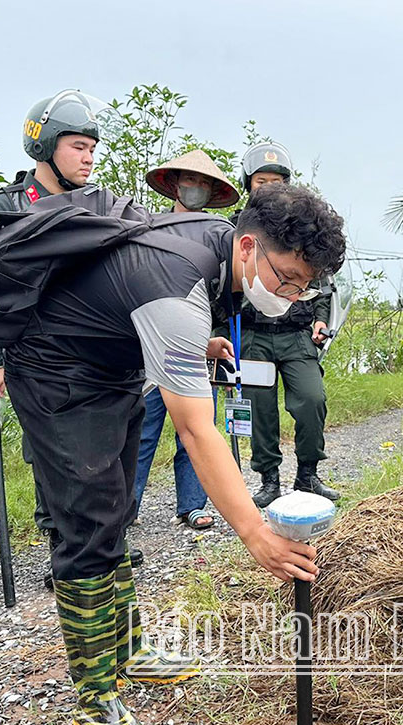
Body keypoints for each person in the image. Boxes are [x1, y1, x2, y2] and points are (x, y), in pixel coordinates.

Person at [0, 182, 344, 725]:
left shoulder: (217, 248)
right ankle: (95, 702)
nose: (293, 297)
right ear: (248, 247)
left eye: (305, 289)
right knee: (86, 527)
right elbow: (197, 431)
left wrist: (201, 345)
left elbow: (131, 297)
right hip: (56, 369)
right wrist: (255, 533)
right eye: (288, 281)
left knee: (117, 513)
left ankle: (127, 649)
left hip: (112, 364)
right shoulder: (178, 290)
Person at [0, 91, 143, 583]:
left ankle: (104, 552)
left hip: (96, 362)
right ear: (45, 146)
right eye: (76, 146)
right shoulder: (7, 207)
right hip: (37, 363)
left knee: (110, 473)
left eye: (92, 147)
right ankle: (71, 554)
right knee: (59, 468)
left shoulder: (97, 206)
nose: (88, 157)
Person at [131, 149, 240, 530]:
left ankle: (193, 505)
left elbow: (224, 300)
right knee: (141, 431)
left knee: (195, 428)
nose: (195, 188)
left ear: (212, 194)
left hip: (192, 348)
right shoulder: (148, 228)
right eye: (189, 181)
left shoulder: (221, 237)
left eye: (203, 184)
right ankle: (127, 509)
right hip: (147, 347)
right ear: (175, 185)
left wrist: (212, 341)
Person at [234, 143, 340, 508]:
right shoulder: (238, 230)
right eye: (260, 181)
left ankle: (308, 475)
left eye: (276, 182)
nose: (267, 188)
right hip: (253, 336)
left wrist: (322, 318)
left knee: (312, 400)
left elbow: (321, 282)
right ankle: (269, 479)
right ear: (248, 185)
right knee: (260, 409)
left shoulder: (300, 230)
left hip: (296, 334)